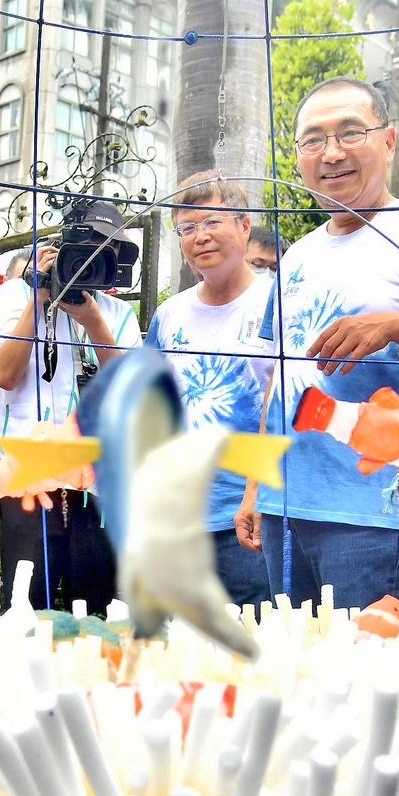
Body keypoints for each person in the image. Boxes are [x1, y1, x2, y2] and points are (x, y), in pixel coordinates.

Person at [236, 76, 399, 612]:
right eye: (313, 140)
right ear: (298, 158)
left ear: (388, 141)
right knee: (297, 668)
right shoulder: (299, 255)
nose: (331, 153)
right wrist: (255, 484)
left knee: (365, 675)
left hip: (375, 509)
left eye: (349, 132)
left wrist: (396, 326)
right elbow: (282, 379)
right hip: (285, 507)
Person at [0, 202, 143, 613]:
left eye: (105, 250)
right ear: (63, 244)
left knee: (95, 602)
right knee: (26, 598)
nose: (91, 258)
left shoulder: (118, 313)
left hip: (98, 478)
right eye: (86, 246)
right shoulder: (15, 294)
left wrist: (94, 323)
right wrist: (38, 299)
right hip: (29, 473)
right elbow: (4, 375)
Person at [145, 171, 272, 607]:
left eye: (212, 222)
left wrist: (256, 494)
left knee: (254, 649)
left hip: (254, 519)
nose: (200, 236)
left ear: (244, 225)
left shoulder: (278, 303)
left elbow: (294, 405)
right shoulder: (169, 315)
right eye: (187, 228)